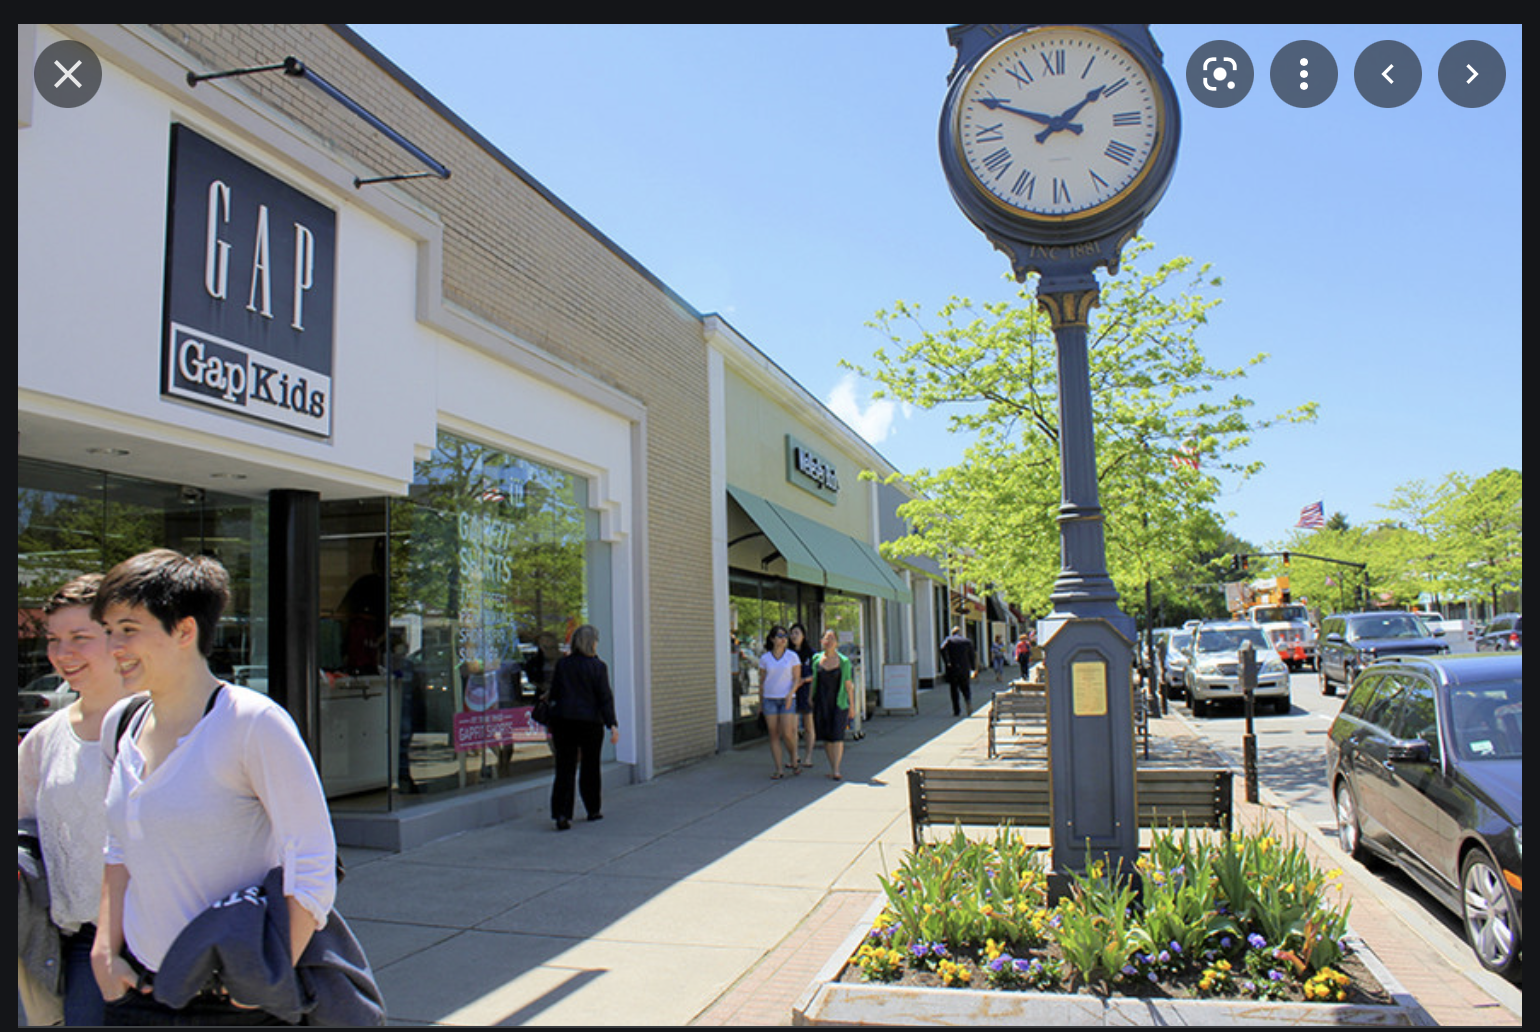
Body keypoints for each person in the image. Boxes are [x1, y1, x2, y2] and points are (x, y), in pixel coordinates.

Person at [89, 549, 337, 1025]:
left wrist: (258, 982)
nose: (113, 647)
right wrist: (106, 948)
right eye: (108, 631)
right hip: (140, 988)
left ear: (184, 630)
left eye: (127, 629)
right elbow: (119, 845)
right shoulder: (123, 724)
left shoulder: (250, 722)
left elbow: (312, 859)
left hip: (230, 998)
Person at [18, 574, 132, 1025]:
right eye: (53, 639)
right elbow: (24, 830)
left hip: (167, 939)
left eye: (79, 638)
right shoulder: (44, 740)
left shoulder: (165, 724)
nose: (62, 654)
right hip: (82, 938)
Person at [547, 624, 619, 830]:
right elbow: (605, 697)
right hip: (590, 722)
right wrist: (611, 724)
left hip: (564, 722)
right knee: (590, 767)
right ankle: (592, 809)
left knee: (565, 768)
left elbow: (555, 694)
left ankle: (562, 814)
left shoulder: (563, 665)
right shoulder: (598, 667)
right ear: (592, 643)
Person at [811, 630, 857, 781]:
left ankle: (837, 769)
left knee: (837, 736)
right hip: (821, 702)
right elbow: (814, 681)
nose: (829, 641)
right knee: (826, 737)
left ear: (836, 642)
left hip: (839, 702)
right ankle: (832, 767)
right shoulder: (816, 659)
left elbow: (849, 685)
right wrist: (810, 699)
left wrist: (851, 706)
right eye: (826, 638)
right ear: (821, 641)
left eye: (832, 638)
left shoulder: (843, 661)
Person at [757, 626, 801, 779]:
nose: (783, 639)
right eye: (780, 635)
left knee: (788, 732)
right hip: (770, 699)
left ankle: (793, 757)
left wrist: (791, 693)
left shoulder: (792, 656)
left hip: (786, 699)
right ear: (772, 639)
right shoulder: (765, 659)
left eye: (785, 636)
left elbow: (797, 678)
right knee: (774, 734)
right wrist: (760, 703)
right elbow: (762, 681)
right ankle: (778, 768)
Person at [787, 623, 816, 770]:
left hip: (806, 692)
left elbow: (816, 674)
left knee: (808, 726)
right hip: (792, 693)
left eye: (796, 633)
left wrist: (804, 680)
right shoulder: (788, 654)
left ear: (803, 635)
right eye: (792, 633)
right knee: (792, 728)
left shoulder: (811, 653)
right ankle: (795, 756)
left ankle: (808, 757)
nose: (793, 636)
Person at [939, 626, 977, 717]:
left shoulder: (949, 640)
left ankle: (956, 710)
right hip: (964, 668)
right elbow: (972, 655)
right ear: (960, 633)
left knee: (954, 690)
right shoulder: (967, 641)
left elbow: (942, 649)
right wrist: (973, 668)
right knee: (965, 688)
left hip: (953, 669)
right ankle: (968, 701)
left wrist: (947, 661)